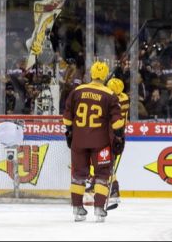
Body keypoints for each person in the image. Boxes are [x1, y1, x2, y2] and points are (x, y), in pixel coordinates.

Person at [63, 61, 124, 223]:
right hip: (101, 142)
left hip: (78, 140)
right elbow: (117, 122)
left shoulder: (77, 91)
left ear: (90, 74)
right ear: (105, 76)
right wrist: (119, 137)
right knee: (102, 174)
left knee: (78, 174)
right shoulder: (109, 95)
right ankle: (99, 209)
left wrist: (69, 133)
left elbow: (67, 118)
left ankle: (77, 209)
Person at [106, 77, 129, 211]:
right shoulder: (124, 97)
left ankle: (114, 188)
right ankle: (111, 187)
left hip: (111, 134)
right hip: (121, 134)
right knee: (109, 162)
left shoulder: (112, 101)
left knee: (106, 162)